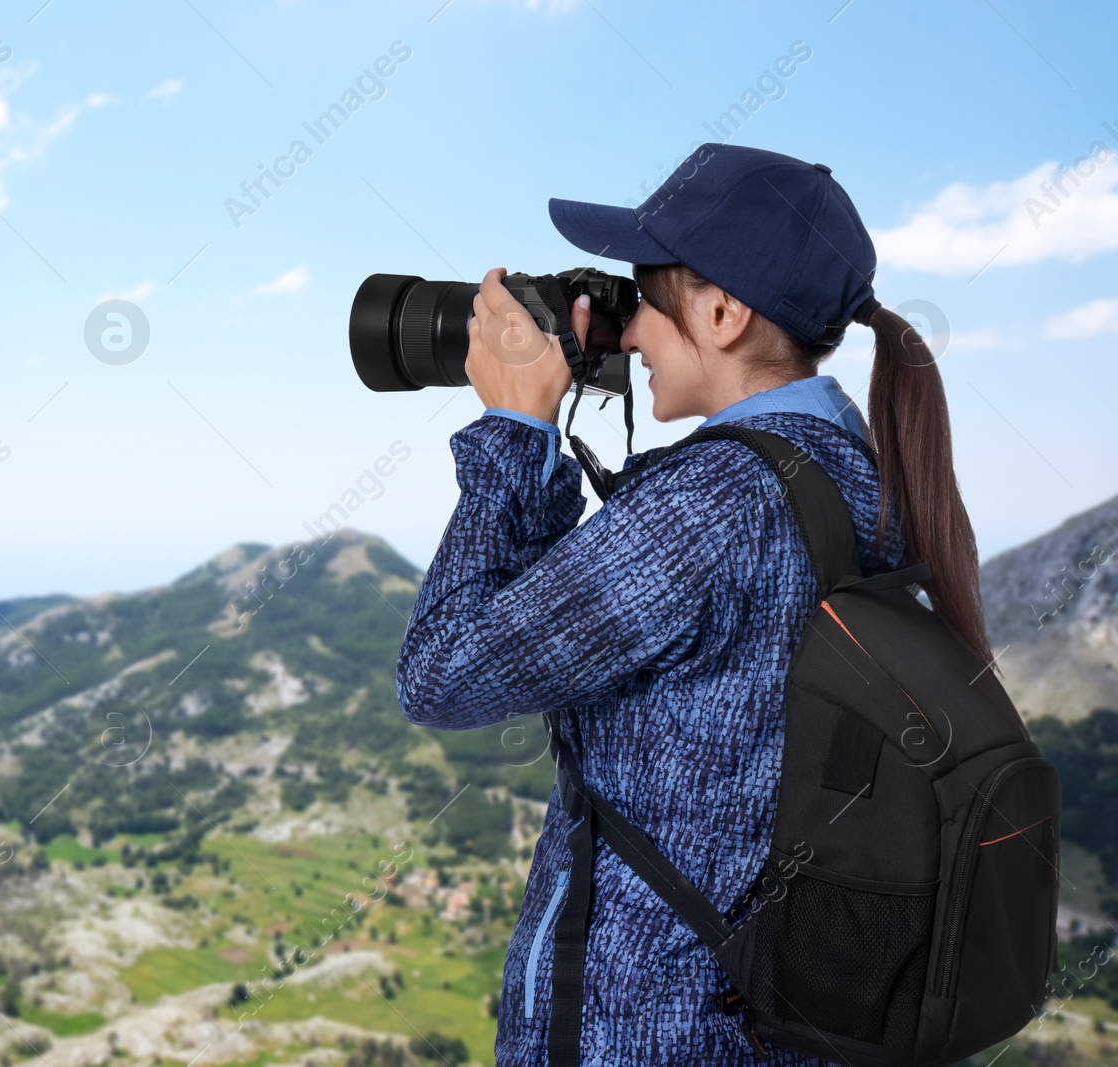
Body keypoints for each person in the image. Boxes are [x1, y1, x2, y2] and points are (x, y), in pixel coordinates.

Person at [395, 144, 989, 1065]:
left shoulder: (716, 504)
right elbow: (587, 621)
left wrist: (516, 430)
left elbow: (441, 672)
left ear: (722, 310)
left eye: (648, 299)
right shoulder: (863, 478)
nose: (628, 335)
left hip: (653, 1038)